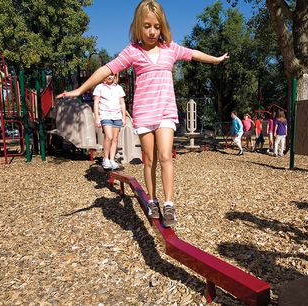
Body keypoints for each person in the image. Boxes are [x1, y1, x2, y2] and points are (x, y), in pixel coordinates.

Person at [57, 0, 228, 227]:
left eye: (157, 26)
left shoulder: (170, 48)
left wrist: (215, 60)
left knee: (166, 156)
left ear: (162, 27)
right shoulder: (133, 52)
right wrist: (80, 89)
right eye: (147, 26)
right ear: (139, 26)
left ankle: (169, 204)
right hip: (145, 112)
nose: (152, 31)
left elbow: (193, 53)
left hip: (166, 111)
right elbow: (105, 69)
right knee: (149, 159)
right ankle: (152, 200)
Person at [93, 74, 126, 170]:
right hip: (105, 115)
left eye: (111, 75)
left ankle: (112, 159)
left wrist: (123, 117)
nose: (109, 77)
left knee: (115, 138)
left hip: (117, 116)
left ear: (114, 76)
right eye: (107, 75)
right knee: (109, 136)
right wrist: (97, 118)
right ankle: (106, 159)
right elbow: (96, 103)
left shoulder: (119, 88)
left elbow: (122, 103)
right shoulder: (99, 87)